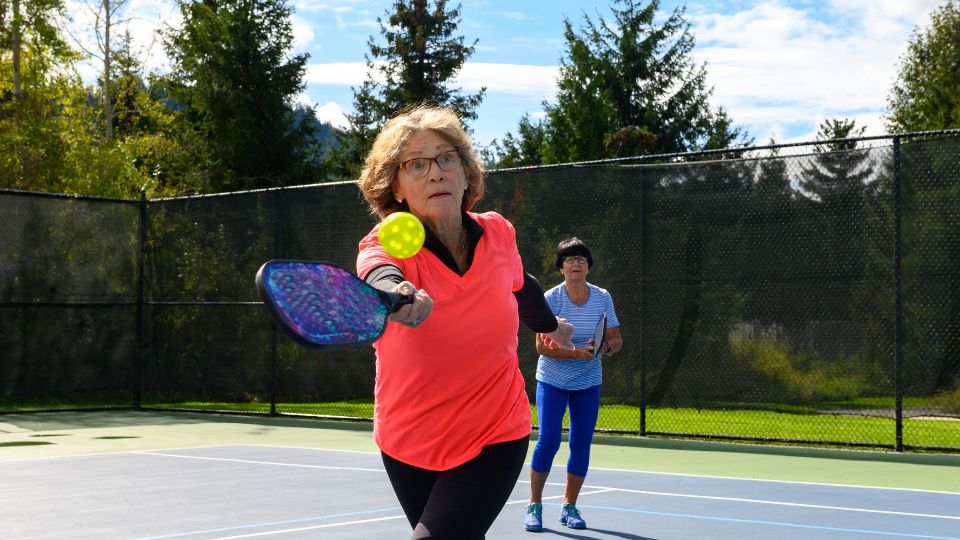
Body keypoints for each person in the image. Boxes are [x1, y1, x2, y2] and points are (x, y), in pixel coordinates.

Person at [355, 104, 575, 539]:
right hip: (407, 439)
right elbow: (378, 272)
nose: (435, 173)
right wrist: (399, 295)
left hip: (494, 430)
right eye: (415, 164)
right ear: (395, 186)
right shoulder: (385, 243)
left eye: (445, 158)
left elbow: (521, 285)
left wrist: (549, 325)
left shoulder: (497, 233)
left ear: (464, 170)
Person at [524, 237, 623, 532]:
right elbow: (542, 347)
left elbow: (616, 339)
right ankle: (535, 505)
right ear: (561, 268)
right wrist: (575, 353)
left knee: (581, 444)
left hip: (588, 382)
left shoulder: (602, 297)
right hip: (552, 381)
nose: (575, 263)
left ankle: (569, 507)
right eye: (569, 259)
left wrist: (602, 348)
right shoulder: (551, 298)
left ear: (588, 267)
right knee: (549, 441)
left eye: (581, 259)